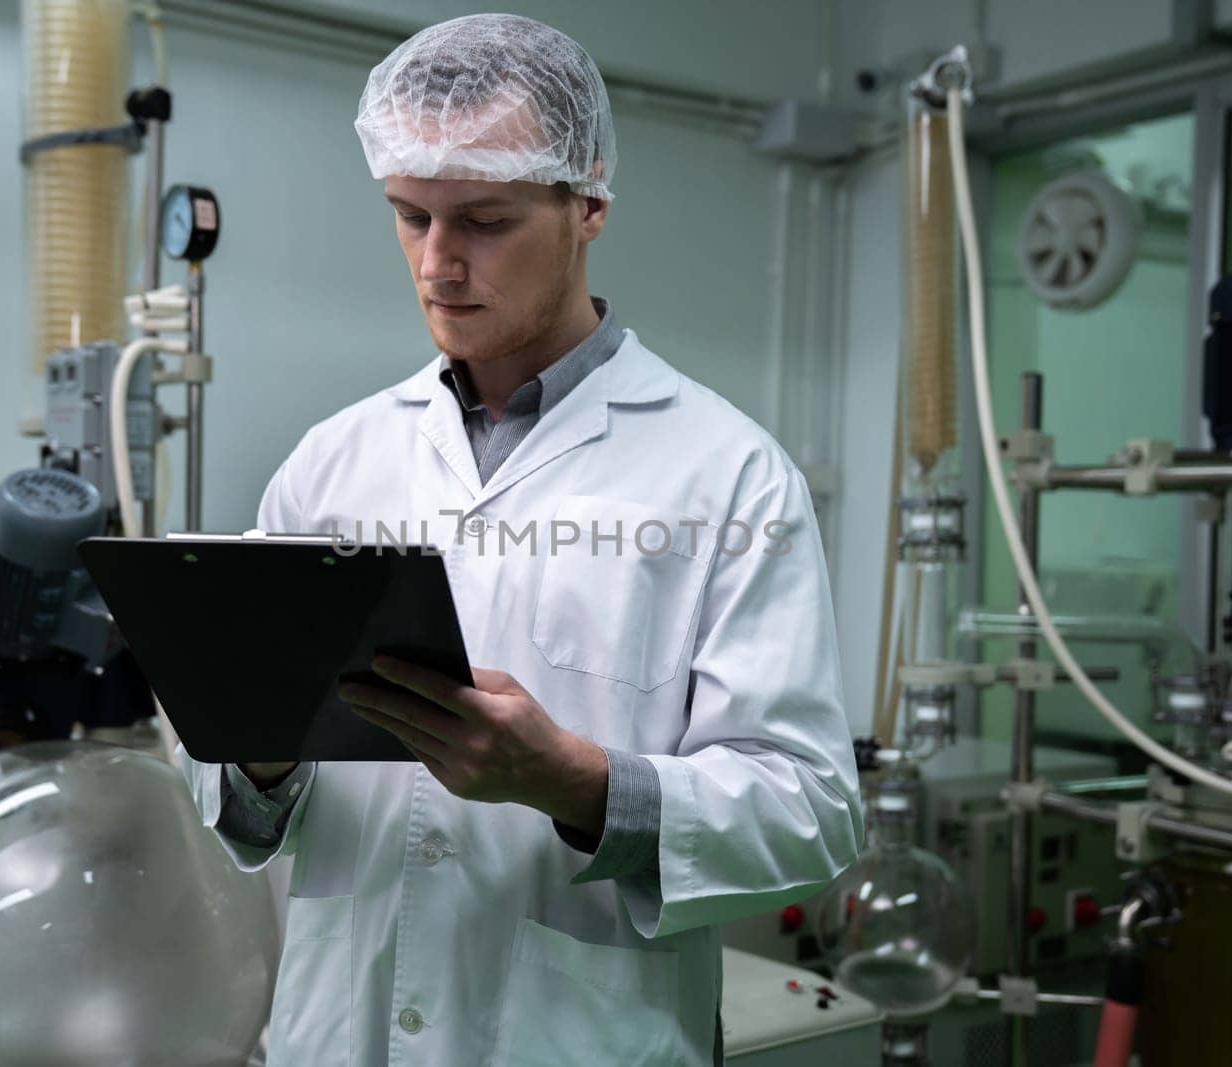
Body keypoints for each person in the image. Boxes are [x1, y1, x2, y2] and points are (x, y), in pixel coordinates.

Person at [178, 14, 862, 1065]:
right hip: (339, 1030)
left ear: (587, 202)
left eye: (484, 221)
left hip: (576, 1034)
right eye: (410, 218)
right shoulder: (332, 461)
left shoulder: (726, 475)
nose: (438, 264)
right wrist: (260, 749)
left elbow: (810, 814)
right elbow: (242, 808)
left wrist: (580, 784)